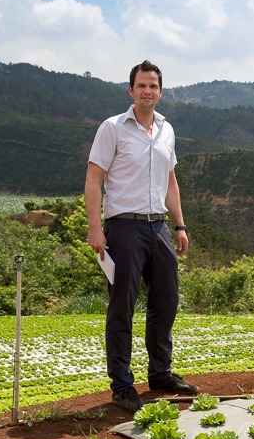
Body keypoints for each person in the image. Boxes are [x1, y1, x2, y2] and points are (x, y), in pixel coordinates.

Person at [85, 59, 198, 412]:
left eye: (153, 86)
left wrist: (178, 225)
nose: (147, 91)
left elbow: (170, 181)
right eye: (141, 85)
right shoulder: (113, 128)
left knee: (166, 301)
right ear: (131, 90)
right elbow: (93, 179)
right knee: (122, 307)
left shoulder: (167, 129)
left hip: (158, 226)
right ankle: (122, 385)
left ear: (160, 92)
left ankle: (160, 373)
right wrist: (93, 227)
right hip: (124, 228)